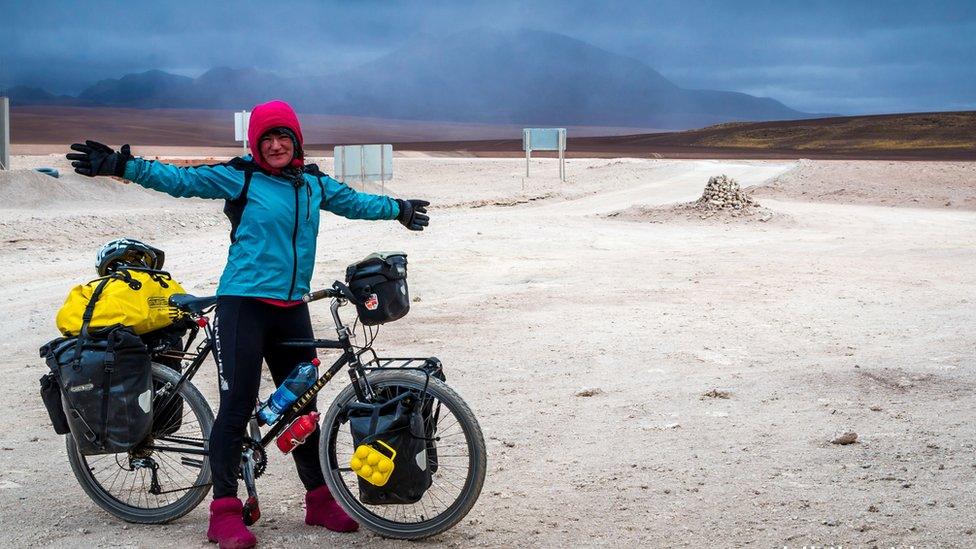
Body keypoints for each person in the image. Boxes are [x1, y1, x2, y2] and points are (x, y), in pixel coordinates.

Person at [66, 100, 431, 549]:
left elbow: (355, 202)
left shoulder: (313, 183)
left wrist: (399, 208)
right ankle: (223, 512)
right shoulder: (242, 176)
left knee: (302, 406)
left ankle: (318, 499)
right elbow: (182, 180)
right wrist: (122, 165)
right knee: (237, 406)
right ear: (255, 145)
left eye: (283, 138)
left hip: (291, 305)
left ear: (296, 141)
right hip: (244, 305)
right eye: (267, 139)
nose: (276, 146)